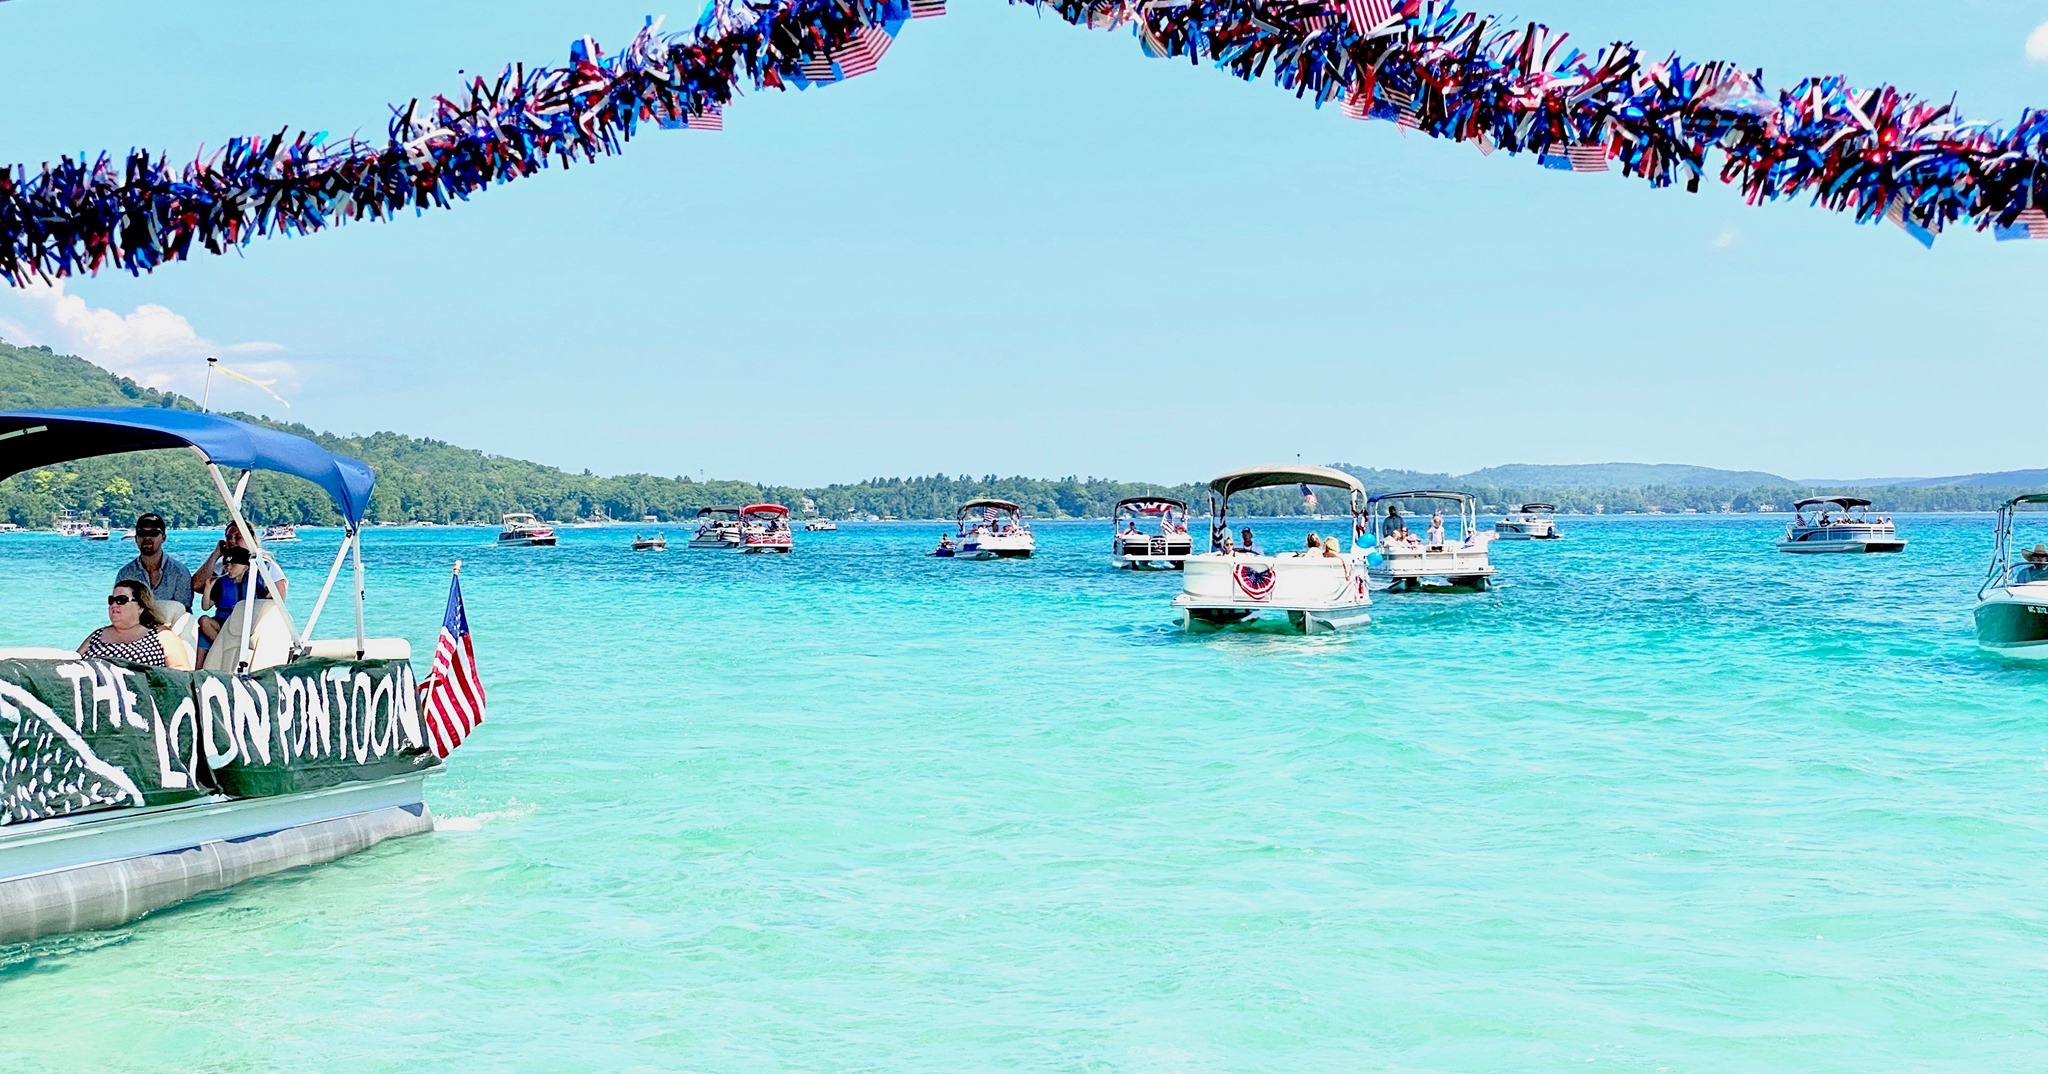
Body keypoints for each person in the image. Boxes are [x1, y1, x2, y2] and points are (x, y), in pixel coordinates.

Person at [78, 579, 192, 670]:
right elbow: (75, 662)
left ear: (140, 606)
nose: (114, 605)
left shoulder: (161, 635)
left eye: (121, 600)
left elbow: (181, 671)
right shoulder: (97, 635)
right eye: (111, 600)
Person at [197, 545, 273, 659]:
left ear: (246, 567)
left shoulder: (254, 581)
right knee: (203, 620)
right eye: (226, 565)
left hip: (245, 623)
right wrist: (208, 587)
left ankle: (226, 646)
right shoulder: (220, 583)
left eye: (233, 564)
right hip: (223, 622)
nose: (228, 568)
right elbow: (205, 607)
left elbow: (269, 599)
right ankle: (222, 646)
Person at [115, 512, 193, 611]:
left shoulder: (180, 572)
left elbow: (183, 611)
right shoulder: (125, 574)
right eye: (142, 533)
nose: (147, 537)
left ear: (163, 538)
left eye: (153, 533)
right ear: (136, 538)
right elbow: (120, 609)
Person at [193, 522, 287, 603]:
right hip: (226, 617)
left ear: (250, 539)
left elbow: (278, 602)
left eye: (238, 537)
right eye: (229, 537)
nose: (232, 541)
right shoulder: (223, 568)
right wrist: (215, 555)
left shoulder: (268, 567)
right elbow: (197, 586)